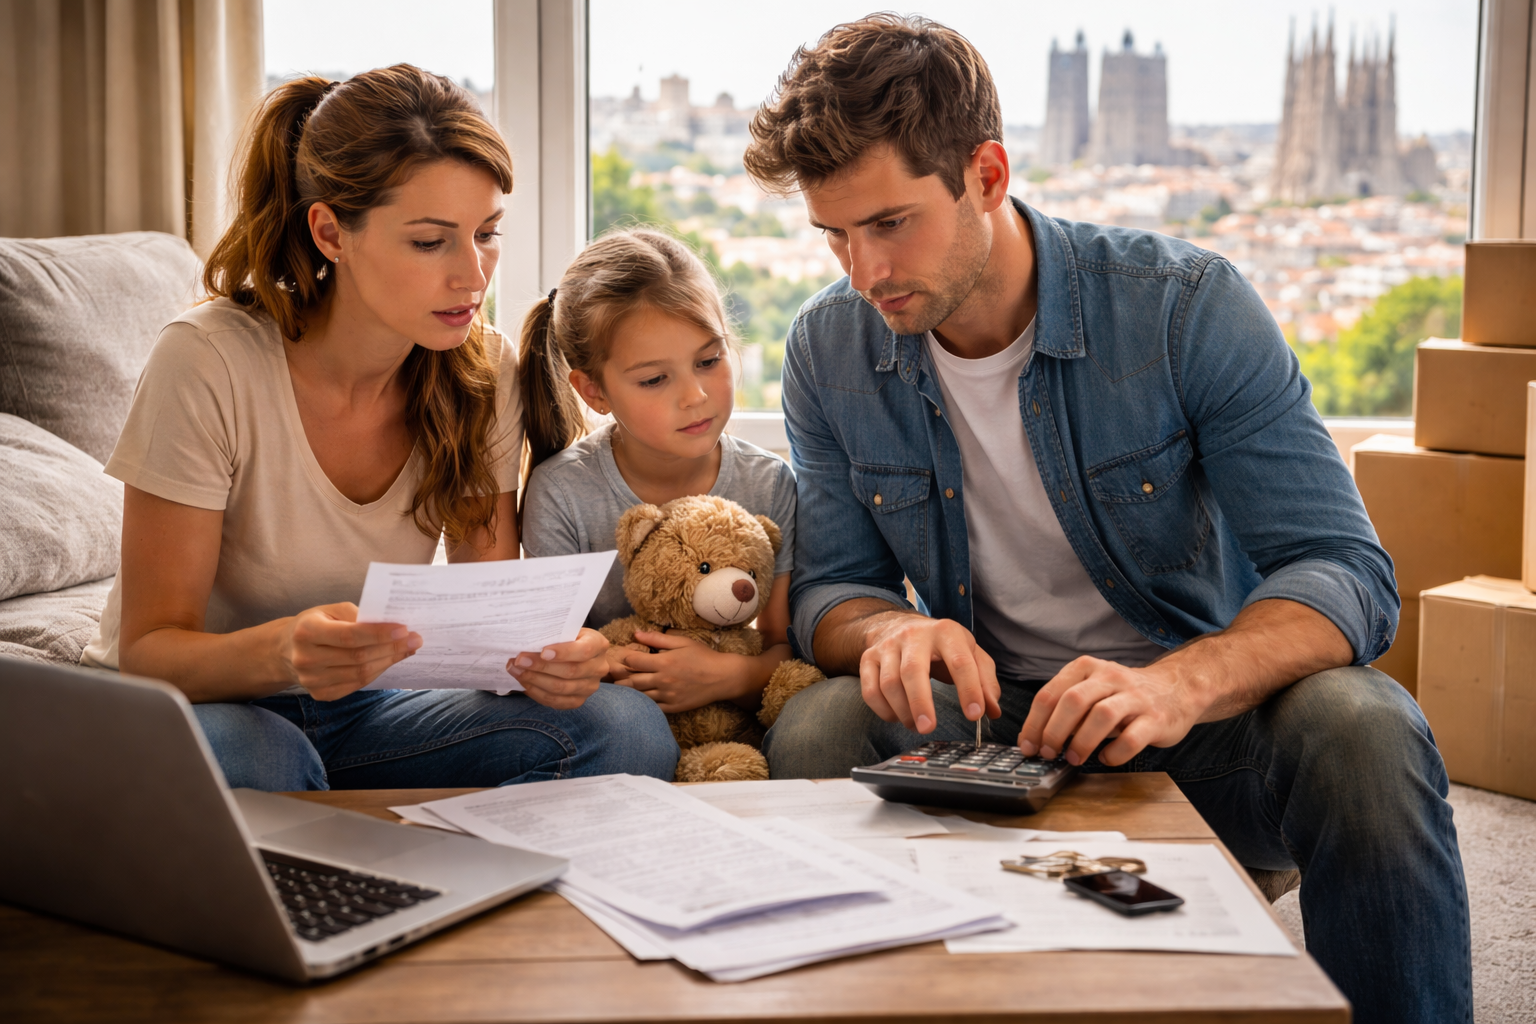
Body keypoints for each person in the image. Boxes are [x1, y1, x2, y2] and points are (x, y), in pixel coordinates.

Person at [743, 16, 1470, 1024]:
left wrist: (1182, 683)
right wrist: (893, 630)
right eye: (834, 233)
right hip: (992, 731)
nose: (864, 271)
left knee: (1363, 725)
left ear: (986, 175)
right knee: (820, 722)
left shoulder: (1185, 305)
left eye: (891, 223)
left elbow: (1345, 572)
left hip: (1199, 728)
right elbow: (834, 590)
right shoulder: (828, 348)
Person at [82, 66, 678, 790]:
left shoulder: (484, 370)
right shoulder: (208, 360)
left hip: (366, 708)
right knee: (267, 758)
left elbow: (487, 612)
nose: (473, 275)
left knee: (624, 729)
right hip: (205, 705)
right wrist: (283, 654)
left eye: (486, 234)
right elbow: (149, 651)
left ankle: (411, 854)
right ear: (331, 232)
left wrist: (555, 655)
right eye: (430, 243)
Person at [519, 229, 798, 714]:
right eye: (654, 379)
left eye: (709, 360)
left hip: (736, 725)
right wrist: (618, 665)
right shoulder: (562, 493)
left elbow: (785, 646)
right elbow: (555, 653)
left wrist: (726, 675)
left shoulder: (769, 483)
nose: (695, 395)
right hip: (615, 715)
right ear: (593, 392)